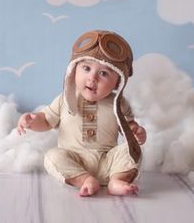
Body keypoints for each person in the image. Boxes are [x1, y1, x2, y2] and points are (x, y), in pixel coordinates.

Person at [17, 30, 146, 197]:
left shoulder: (118, 103)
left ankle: (116, 180)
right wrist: (32, 121)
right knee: (52, 156)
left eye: (104, 73)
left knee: (132, 151)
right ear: (73, 70)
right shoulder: (65, 99)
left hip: (108, 161)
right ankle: (84, 180)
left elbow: (128, 127)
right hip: (74, 160)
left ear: (118, 82)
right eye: (86, 68)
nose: (93, 78)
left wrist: (136, 132)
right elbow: (47, 121)